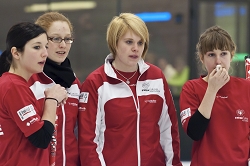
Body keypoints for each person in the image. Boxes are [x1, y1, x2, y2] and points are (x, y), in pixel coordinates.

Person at [78, 13, 182, 166]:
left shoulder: (156, 77)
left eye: (140, 43)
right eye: (129, 42)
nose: (136, 48)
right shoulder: (96, 83)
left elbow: (169, 130)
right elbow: (88, 142)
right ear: (114, 43)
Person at [179, 25, 250, 166]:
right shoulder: (191, 88)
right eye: (211, 55)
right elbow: (194, 132)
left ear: (232, 55)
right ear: (202, 58)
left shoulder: (246, 88)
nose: (218, 61)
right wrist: (212, 89)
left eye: (223, 54)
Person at [0, 22, 68, 166]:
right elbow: (41, 138)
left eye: (46, 47)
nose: (45, 53)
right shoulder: (13, 87)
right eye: (37, 47)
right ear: (16, 53)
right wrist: (51, 100)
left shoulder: (16, 85)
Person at [28, 12, 81, 166]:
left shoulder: (75, 82)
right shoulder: (28, 80)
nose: (63, 45)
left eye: (67, 39)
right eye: (56, 38)